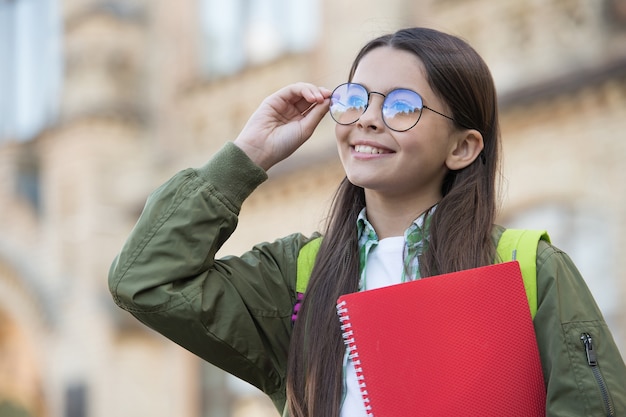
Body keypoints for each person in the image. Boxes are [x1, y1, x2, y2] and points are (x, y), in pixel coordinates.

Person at [108, 27, 626, 416]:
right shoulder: (297, 276)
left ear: (463, 147)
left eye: (403, 106)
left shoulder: (528, 267)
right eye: (355, 99)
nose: (368, 119)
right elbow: (146, 280)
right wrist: (247, 156)